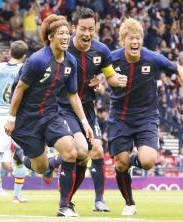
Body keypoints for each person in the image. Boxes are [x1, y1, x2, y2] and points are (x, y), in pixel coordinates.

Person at [4, 14, 93, 217]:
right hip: (28, 119)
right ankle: (21, 155)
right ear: (50, 37)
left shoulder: (71, 62)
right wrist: (11, 118)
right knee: (40, 166)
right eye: (61, 33)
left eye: (67, 34)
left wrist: (84, 122)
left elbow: (72, 95)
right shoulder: (37, 61)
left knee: (71, 152)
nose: (65, 37)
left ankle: (64, 206)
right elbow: (19, 89)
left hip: (52, 114)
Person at [42, 7, 127, 212]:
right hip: (63, 107)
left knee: (92, 152)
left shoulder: (102, 51)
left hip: (87, 107)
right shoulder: (63, 47)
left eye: (91, 29)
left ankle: (81, 196)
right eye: (83, 29)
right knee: (81, 150)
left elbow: (109, 76)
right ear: (73, 28)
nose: (87, 33)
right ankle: (64, 204)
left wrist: (116, 80)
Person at [107, 17, 183, 215]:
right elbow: (93, 71)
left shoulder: (152, 58)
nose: (135, 41)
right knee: (120, 163)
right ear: (123, 41)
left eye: (138, 38)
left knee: (148, 161)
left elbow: (178, 69)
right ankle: (129, 203)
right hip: (119, 117)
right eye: (130, 38)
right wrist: (96, 81)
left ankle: (130, 161)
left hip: (146, 117)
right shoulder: (111, 58)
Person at [0, 40, 28, 203]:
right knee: (20, 155)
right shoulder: (25, 70)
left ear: (9, 53)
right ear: (24, 56)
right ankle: (17, 195)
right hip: (17, 117)